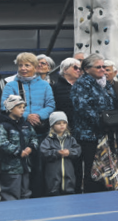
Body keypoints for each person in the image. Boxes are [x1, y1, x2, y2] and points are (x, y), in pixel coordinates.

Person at [1, 52, 55, 198]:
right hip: (17, 133)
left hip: (40, 132)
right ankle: (15, 197)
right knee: (18, 169)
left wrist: (38, 115)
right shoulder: (11, 85)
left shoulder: (45, 85)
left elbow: (50, 105)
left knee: (38, 168)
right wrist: (27, 116)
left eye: (27, 65)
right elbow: (3, 105)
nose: (23, 68)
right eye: (20, 65)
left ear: (35, 67)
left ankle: (36, 197)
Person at [71, 53, 118, 193]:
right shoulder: (81, 84)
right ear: (87, 69)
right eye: (98, 67)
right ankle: (91, 197)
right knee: (92, 170)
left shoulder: (106, 84)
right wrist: (104, 122)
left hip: (106, 133)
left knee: (106, 168)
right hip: (89, 135)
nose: (102, 70)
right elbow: (82, 108)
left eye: (103, 67)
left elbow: (112, 105)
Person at [51, 57, 81, 190]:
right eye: (75, 67)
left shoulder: (82, 86)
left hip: (82, 129)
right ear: (65, 69)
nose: (78, 70)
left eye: (79, 68)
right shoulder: (56, 87)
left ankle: (79, 188)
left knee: (79, 161)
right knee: (65, 162)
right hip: (63, 130)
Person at [0, 95, 38, 201]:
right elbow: (2, 142)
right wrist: (18, 151)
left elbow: (34, 138)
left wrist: (31, 148)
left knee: (25, 194)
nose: (22, 110)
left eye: (23, 107)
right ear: (10, 108)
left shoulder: (26, 124)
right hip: (10, 169)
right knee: (11, 195)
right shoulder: (3, 125)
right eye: (19, 107)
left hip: (25, 166)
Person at [40, 111, 81, 195]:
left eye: (64, 123)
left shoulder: (71, 139)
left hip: (69, 177)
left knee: (69, 195)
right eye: (58, 123)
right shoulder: (48, 140)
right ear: (52, 125)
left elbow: (78, 150)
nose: (62, 125)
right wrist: (57, 153)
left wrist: (69, 152)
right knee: (54, 195)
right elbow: (44, 152)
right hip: (53, 178)